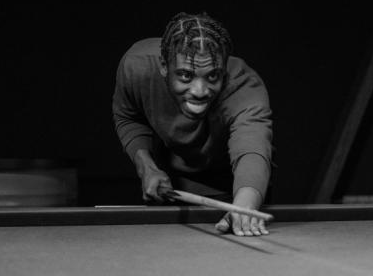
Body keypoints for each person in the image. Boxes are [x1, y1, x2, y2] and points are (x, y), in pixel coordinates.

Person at [113, 12, 273, 236]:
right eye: (186, 75)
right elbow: (129, 118)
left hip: (234, 189)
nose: (200, 91)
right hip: (169, 188)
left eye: (212, 76)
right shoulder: (136, 68)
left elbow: (252, 147)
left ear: (224, 72)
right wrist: (147, 168)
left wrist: (245, 205)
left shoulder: (244, 86)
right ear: (164, 66)